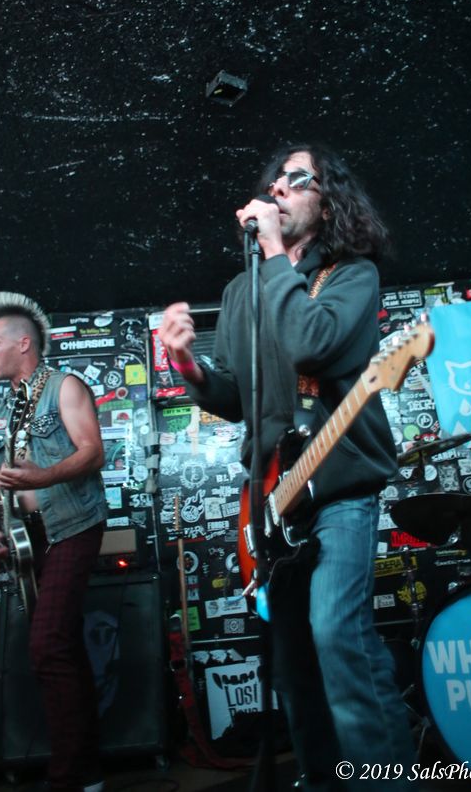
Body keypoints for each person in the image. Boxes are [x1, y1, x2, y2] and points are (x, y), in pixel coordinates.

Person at [159, 143, 416, 790]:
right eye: (275, 179)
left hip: (340, 488)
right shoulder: (240, 290)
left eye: (298, 180)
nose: (278, 187)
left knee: (337, 634)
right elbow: (235, 396)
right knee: (294, 666)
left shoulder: (351, 274)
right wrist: (187, 365)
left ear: (327, 204)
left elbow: (312, 344)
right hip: (272, 497)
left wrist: (274, 252)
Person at [0, 292, 108, 792]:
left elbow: (93, 452)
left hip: (73, 526)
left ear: (22, 344)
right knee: (62, 648)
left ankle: (68, 779)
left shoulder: (65, 386)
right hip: (32, 538)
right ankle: (88, 774)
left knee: (48, 644)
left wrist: (43, 477)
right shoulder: (10, 405)